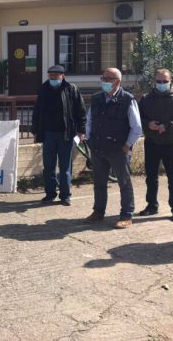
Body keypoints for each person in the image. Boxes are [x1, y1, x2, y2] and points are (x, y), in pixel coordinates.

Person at [85, 68, 142, 229]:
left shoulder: (128, 99)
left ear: (117, 81)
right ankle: (98, 212)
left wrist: (126, 146)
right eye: (103, 78)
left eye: (108, 79)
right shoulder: (97, 98)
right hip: (98, 148)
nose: (104, 81)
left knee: (124, 183)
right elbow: (89, 121)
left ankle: (126, 215)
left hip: (119, 150)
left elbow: (137, 128)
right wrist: (89, 140)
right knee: (99, 182)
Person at [138, 69, 173, 222]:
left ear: (170, 81)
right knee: (151, 177)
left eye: (165, 81)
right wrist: (148, 124)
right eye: (159, 81)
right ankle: (152, 206)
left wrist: (167, 126)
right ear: (154, 81)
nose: (161, 84)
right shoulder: (146, 99)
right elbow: (137, 118)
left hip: (171, 143)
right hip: (151, 143)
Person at [31, 65, 86, 206]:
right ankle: (50, 194)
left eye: (56, 75)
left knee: (65, 166)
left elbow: (81, 111)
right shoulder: (44, 89)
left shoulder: (71, 89)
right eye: (51, 75)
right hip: (48, 134)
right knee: (48, 166)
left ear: (62, 76)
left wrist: (81, 131)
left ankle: (65, 195)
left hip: (66, 134)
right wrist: (35, 131)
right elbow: (37, 111)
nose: (53, 78)